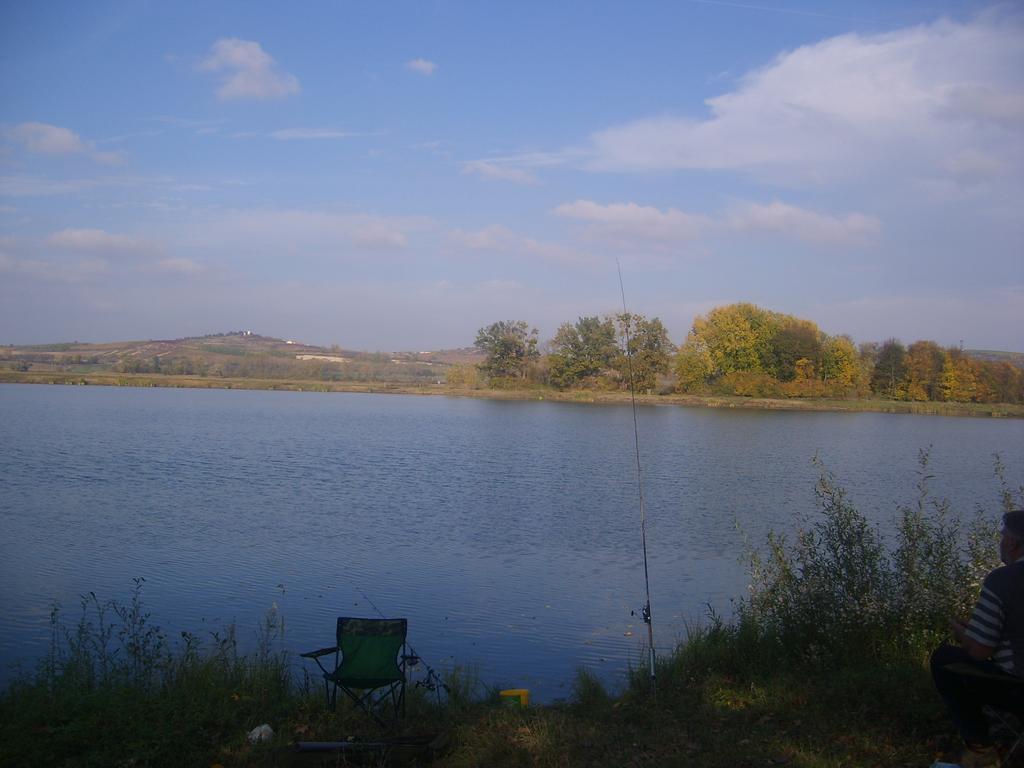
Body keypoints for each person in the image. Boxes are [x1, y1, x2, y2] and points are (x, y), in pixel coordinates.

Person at [931, 509, 1024, 766]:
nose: (1000, 541)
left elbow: (980, 652)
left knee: (943, 659)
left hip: (1018, 691)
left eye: (1003, 536)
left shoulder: (1002, 580)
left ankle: (980, 748)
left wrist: (963, 633)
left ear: (1013, 543)